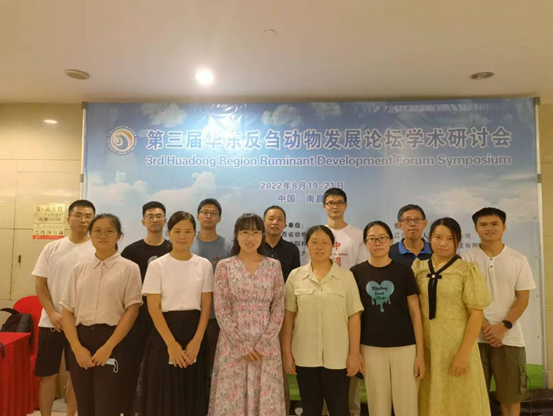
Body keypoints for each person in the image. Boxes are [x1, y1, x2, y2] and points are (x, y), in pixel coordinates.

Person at [60, 214, 142, 416]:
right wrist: (76, 347)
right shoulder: (79, 269)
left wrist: (108, 347)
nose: (102, 235)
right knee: (85, 406)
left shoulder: (130, 269)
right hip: (81, 340)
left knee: (108, 406)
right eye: (97, 231)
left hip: (113, 340)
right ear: (91, 235)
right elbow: (67, 310)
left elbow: (132, 311)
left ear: (119, 235)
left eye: (109, 231)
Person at [412, 217, 491, 416]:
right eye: (438, 237)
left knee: (461, 400)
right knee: (428, 398)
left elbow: (476, 314)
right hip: (426, 348)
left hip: (457, 347)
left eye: (450, 238)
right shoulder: (418, 268)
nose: (443, 243)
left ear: (458, 242)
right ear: (429, 238)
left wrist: (463, 354)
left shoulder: (467, 270)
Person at [209, 213, 286, 416]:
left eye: (255, 232)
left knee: (266, 398)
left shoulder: (274, 266)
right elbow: (222, 309)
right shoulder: (224, 266)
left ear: (262, 235)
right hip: (233, 344)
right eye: (244, 232)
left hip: (266, 345)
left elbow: (278, 307)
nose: (250, 238)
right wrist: (241, 344)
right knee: (232, 399)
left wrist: (263, 343)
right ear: (236, 235)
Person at [461, 208, 535, 416]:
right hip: (474, 338)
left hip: (509, 338)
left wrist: (503, 327)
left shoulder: (518, 259)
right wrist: (485, 327)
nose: (489, 228)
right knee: (474, 398)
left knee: (510, 399)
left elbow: (523, 299)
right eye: (483, 224)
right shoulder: (466, 258)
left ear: (504, 226)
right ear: (476, 229)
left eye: (494, 224)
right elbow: (462, 299)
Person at [283, 225, 364, 416]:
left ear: (333, 246)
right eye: (314, 242)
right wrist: (286, 352)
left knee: (339, 409)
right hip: (305, 355)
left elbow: (354, 317)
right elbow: (288, 317)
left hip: (338, 357)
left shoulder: (346, 277)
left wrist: (354, 353)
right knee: (310, 409)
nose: (319, 247)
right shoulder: (296, 276)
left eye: (324, 242)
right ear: (307, 246)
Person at [138, 211, 213, 415]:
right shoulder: (157, 265)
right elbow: (153, 307)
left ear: (194, 234)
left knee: (192, 392)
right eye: (177, 231)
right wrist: (171, 344)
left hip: (194, 334)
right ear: (169, 233)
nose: (182, 236)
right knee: (165, 394)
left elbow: (206, 304)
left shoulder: (204, 265)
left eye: (188, 231)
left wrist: (197, 340)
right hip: (164, 335)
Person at [303, 188, 368, 416]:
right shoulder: (316, 234)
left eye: (339, 202)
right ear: (324, 206)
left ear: (346, 206)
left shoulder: (357, 235)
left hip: (346, 305)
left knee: (347, 382)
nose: (335, 206)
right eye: (330, 202)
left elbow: (361, 273)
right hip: (317, 307)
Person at [351, 221, 424, 416]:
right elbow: (354, 315)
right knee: (377, 405)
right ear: (365, 243)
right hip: (370, 347)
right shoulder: (356, 273)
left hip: (405, 347)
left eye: (382, 238)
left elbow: (415, 313)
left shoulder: (404, 271)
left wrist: (420, 354)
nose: (377, 243)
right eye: (372, 239)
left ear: (391, 241)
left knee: (407, 405)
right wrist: (356, 351)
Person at [34, 199, 96, 416]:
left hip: (81, 323)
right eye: (78, 215)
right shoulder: (52, 248)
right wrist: (51, 312)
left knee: (76, 374)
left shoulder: (97, 249)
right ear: (68, 219)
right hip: (51, 321)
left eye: (88, 216)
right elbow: (40, 284)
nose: (83, 220)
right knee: (47, 374)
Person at [120, 201, 172, 416]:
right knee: (132, 366)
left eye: (159, 216)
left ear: (165, 220)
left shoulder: (173, 249)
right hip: (137, 319)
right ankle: (129, 410)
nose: (155, 219)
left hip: (166, 320)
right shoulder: (131, 251)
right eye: (150, 216)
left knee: (162, 368)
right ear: (143, 221)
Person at [263, 205, 301, 414]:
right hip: (255, 314)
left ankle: (282, 409)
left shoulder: (291, 250)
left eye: (279, 219)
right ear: (264, 222)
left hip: (283, 315)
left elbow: (294, 284)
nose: (275, 222)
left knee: (279, 366)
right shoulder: (253, 246)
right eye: (271, 218)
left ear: (285, 224)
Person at [190, 198, 233, 371]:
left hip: (218, 316)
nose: (208, 216)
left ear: (219, 218)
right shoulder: (187, 243)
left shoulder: (229, 246)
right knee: (193, 362)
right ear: (198, 216)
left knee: (216, 362)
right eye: (204, 212)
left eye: (213, 213)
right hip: (192, 312)